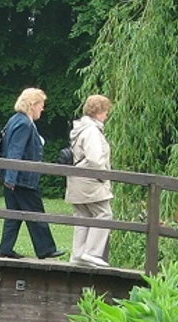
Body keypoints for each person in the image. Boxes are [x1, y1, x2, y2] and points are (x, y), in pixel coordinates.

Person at [0, 88, 64, 260]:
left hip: (12, 178)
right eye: (41, 105)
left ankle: (5, 248)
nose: (43, 109)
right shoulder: (24, 124)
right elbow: (15, 151)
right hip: (22, 179)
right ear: (33, 105)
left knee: (14, 214)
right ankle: (46, 249)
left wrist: (8, 179)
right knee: (35, 212)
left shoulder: (15, 120)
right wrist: (11, 178)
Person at [65, 95, 114, 267]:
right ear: (99, 112)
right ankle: (92, 252)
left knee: (83, 216)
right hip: (91, 182)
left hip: (77, 181)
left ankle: (78, 255)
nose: (107, 115)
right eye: (106, 111)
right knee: (104, 214)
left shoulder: (80, 129)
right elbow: (95, 159)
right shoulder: (92, 131)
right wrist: (104, 177)